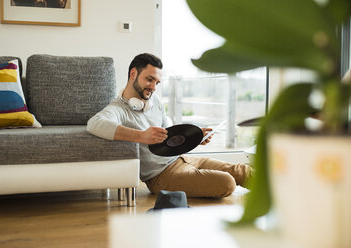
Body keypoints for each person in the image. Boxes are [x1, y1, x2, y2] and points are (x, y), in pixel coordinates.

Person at [87, 53, 253, 198]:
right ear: (133, 74)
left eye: (157, 83)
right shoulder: (118, 109)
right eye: (149, 80)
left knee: (241, 170)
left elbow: (169, 133)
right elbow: (94, 124)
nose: (153, 87)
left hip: (181, 159)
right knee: (227, 183)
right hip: (161, 177)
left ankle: (277, 190)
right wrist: (142, 136)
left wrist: (195, 137)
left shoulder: (154, 101)